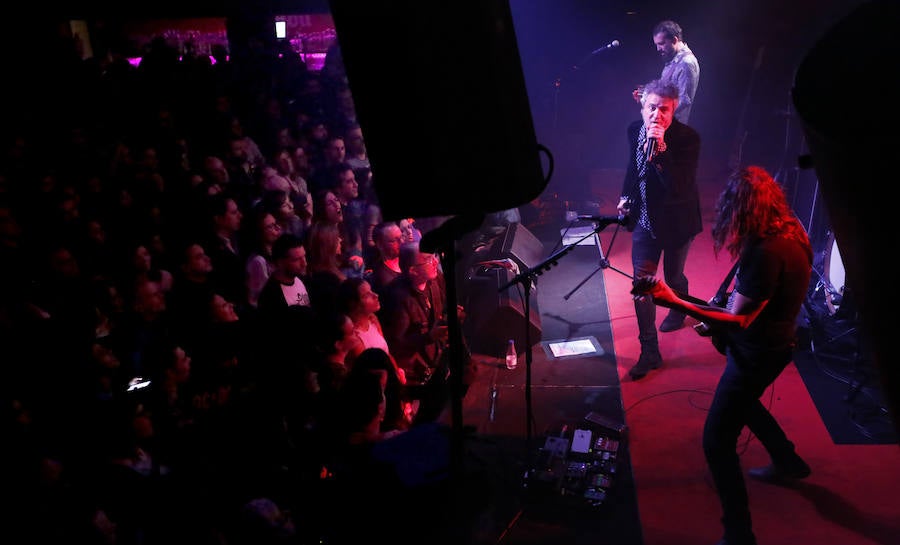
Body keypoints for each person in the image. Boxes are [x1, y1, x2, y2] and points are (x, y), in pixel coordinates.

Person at [630, 165, 813, 545]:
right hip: (774, 344)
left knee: (716, 440)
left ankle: (739, 534)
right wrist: (715, 319)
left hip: (758, 353)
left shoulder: (766, 252)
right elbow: (750, 304)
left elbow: (740, 319)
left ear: (743, 209)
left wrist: (673, 300)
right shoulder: (791, 231)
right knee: (745, 405)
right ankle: (788, 461)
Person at [618, 78, 702, 379]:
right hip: (645, 221)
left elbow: (680, 187)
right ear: (643, 106)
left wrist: (661, 151)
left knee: (673, 275)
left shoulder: (688, 139)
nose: (657, 115)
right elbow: (632, 166)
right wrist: (625, 196)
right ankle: (649, 350)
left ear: (674, 109)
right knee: (642, 287)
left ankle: (679, 308)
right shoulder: (633, 130)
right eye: (652, 108)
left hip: (678, 221)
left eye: (664, 110)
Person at [632, 20, 700, 124]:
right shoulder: (673, 59)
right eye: (656, 44)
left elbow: (683, 101)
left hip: (672, 129)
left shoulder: (686, 63)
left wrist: (653, 105)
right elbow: (666, 92)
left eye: (661, 44)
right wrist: (646, 94)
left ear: (674, 40)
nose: (658, 49)